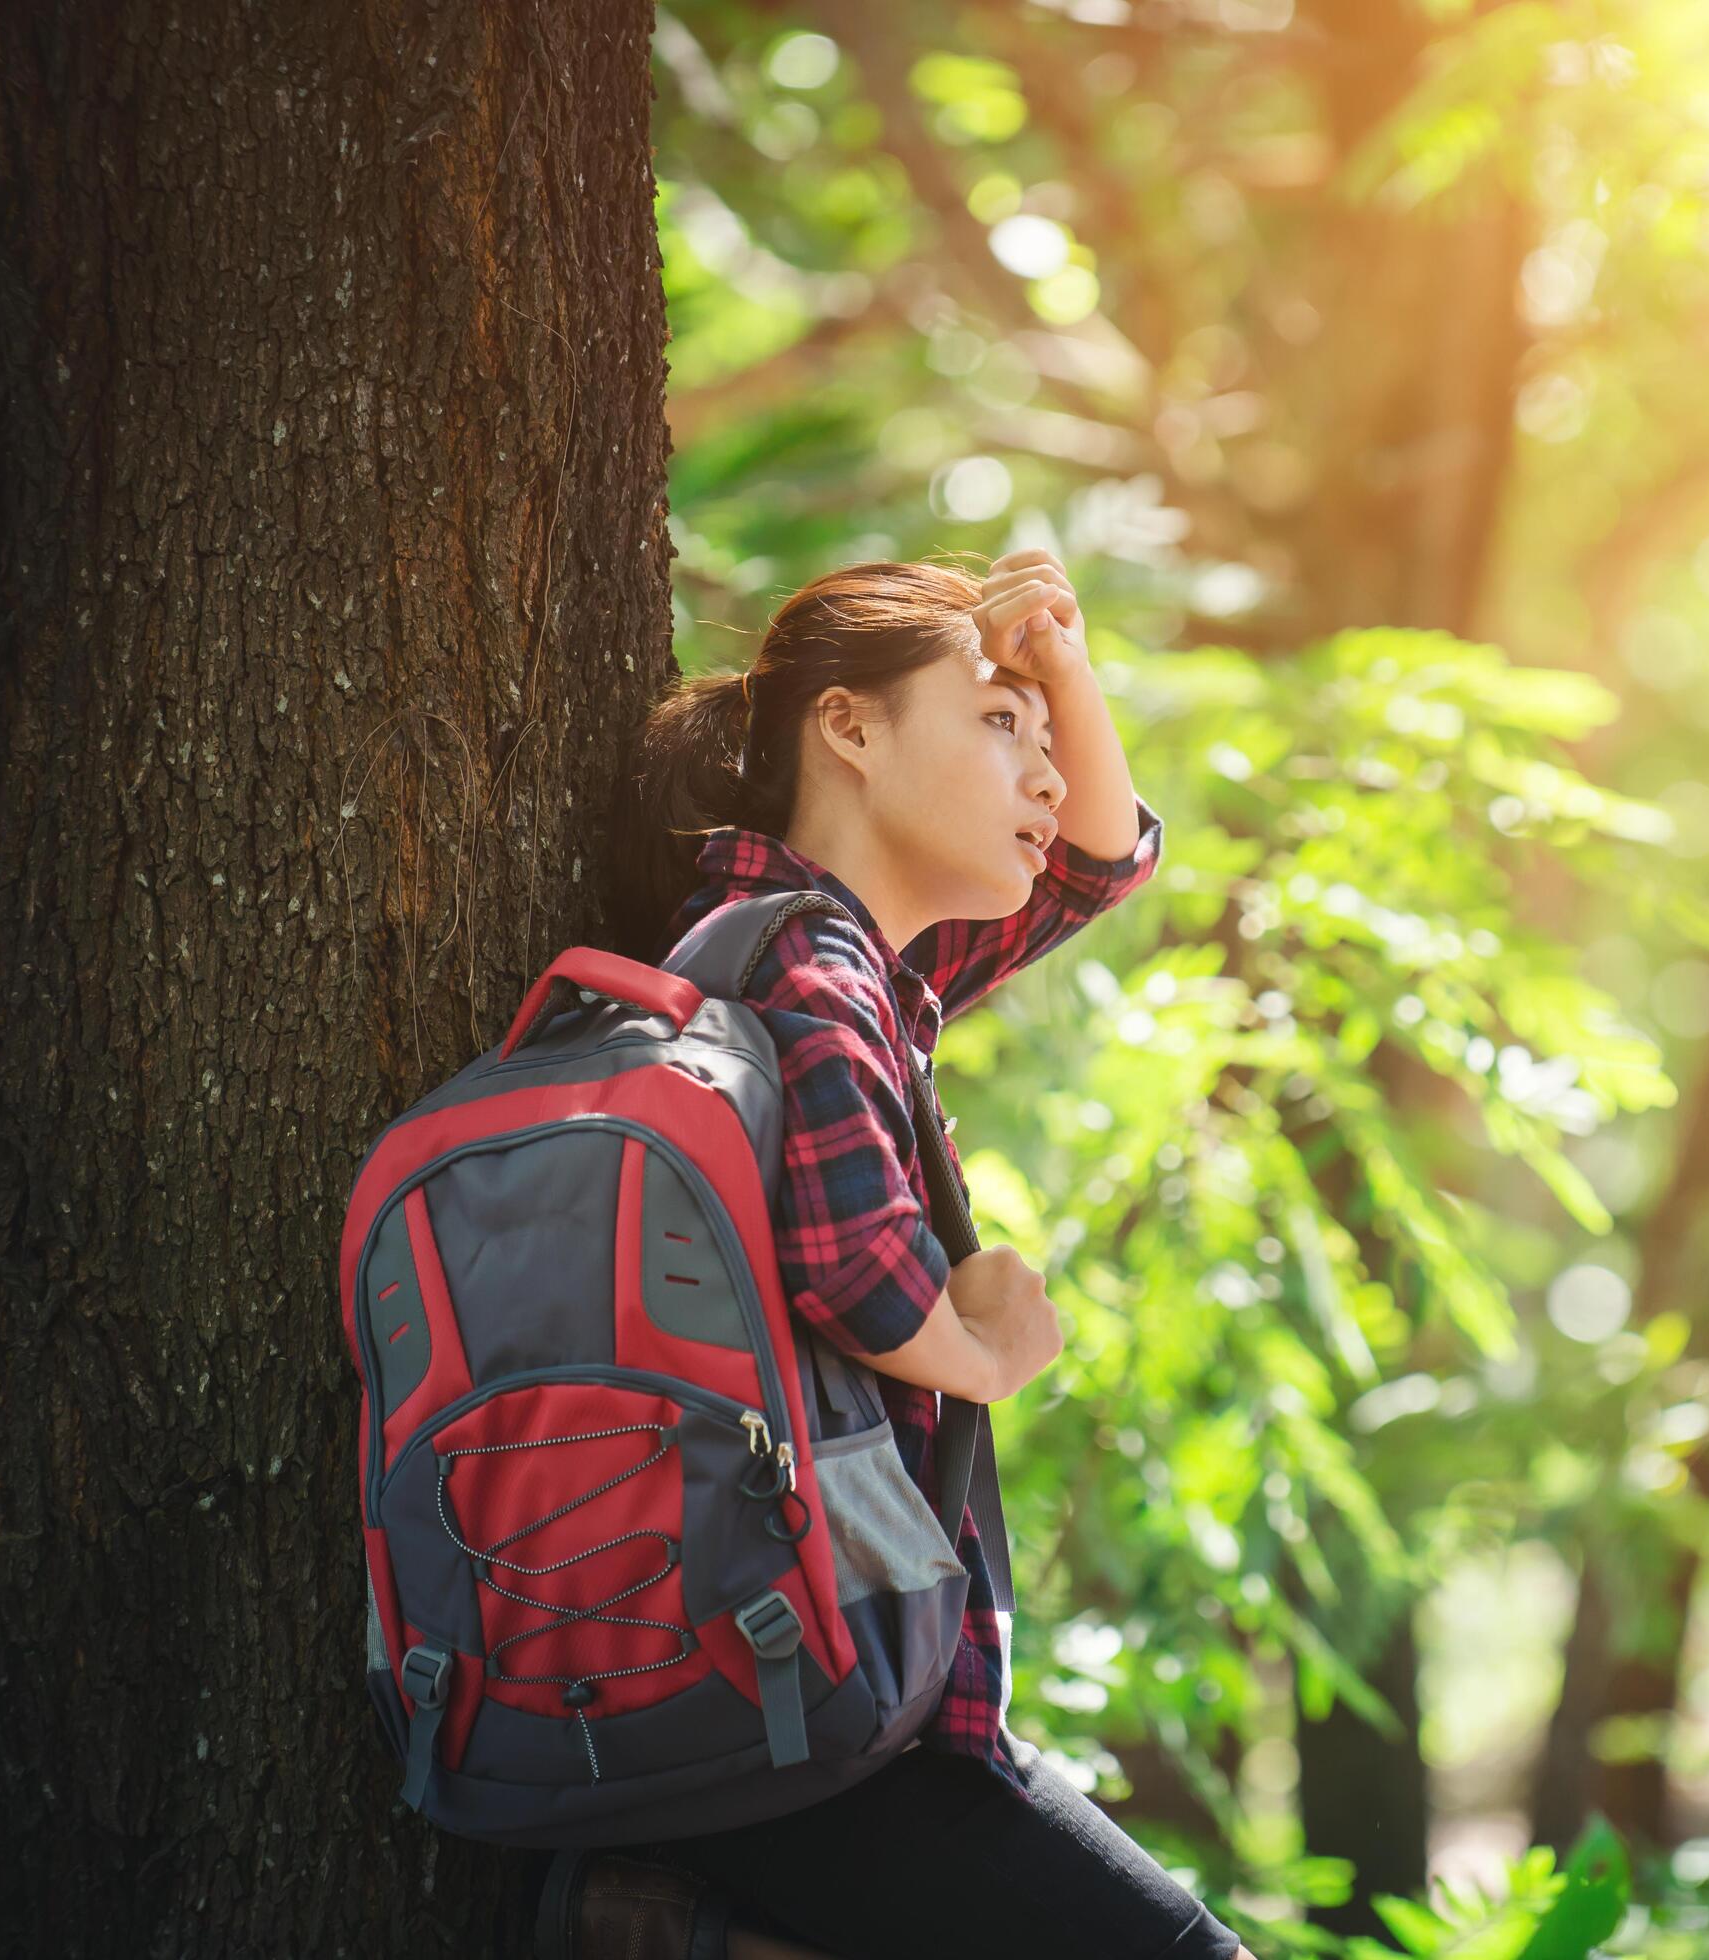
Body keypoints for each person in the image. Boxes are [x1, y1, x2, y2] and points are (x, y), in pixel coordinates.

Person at [534, 550, 1254, 1960]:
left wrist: (1056, 670)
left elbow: (1100, 859)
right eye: (999, 728)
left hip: (750, 1680)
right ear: (847, 728)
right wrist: (992, 1342)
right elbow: (855, 1275)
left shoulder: (798, 952)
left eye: (1044, 746)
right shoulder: (812, 973)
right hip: (810, 1711)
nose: (1046, 780)